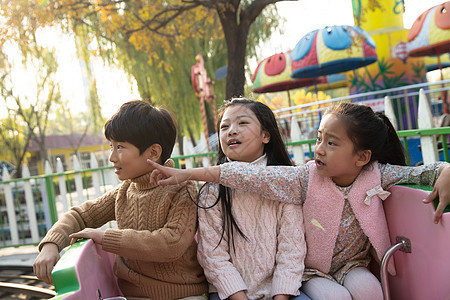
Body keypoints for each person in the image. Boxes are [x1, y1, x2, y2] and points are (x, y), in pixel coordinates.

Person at [148, 102, 450, 300]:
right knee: (337, 299)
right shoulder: (303, 178)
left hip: (351, 265)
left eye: (331, 143)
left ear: (362, 157)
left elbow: (424, 171)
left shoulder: (376, 174)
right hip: (312, 270)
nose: (318, 149)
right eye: (319, 139)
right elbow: (249, 177)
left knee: (371, 291)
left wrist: (447, 170)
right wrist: (189, 175)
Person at [33, 100, 208, 300]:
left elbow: (171, 243)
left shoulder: (182, 189)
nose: (112, 157)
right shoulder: (124, 191)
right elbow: (80, 215)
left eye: (120, 147)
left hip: (182, 295)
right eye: (111, 147)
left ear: (153, 152)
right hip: (132, 295)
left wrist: (106, 238)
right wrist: (51, 245)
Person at [163, 98, 309, 300]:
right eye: (224, 126)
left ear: (266, 135)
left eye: (242, 123)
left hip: (281, 290)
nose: (231, 131)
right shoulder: (212, 192)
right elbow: (213, 256)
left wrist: (280, 296)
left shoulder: (283, 185)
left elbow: (291, 251)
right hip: (229, 293)